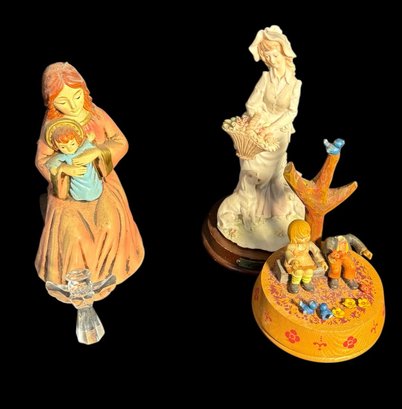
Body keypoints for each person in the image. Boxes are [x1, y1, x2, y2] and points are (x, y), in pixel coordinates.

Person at [35, 62, 144, 300]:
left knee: (109, 223)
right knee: (73, 235)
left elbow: (121, 142)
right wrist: (63, 170)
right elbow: (42, 160)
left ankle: (108, 272)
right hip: (67, 191)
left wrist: (97, 153)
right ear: (51, 103)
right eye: (63, 101)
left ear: (84, 91)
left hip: (101, 181)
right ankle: (76, 281)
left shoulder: (96, 114)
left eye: (76, 96)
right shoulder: (52, 126)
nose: (73, 105)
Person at [217, 25, 305, 251]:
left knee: (269, 174)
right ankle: (249, 209)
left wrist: (271, 128)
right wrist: (259, 120)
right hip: (259, 128)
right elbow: (252, 103)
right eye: (268, 57)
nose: (272, 60)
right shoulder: (265, 78)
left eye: (275, 55)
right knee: (249, 167)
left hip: (280, 133)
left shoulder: (295, 85)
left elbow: (291, 113)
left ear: (284, 54)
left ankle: (270, 211)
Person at [45, 119, 103, 201]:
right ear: (57, 147)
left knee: (93, 184)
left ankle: (94, 192)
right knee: (79, 189)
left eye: (72, 144)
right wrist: (54, 168)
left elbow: (88, 144)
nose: (69, 149)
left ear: (77, 140)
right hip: (78, 185)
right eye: (63, 147)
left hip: (93, 182)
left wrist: (90, 138)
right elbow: (52, 162)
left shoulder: (82, 149)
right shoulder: (64, 156)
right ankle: (80, 195)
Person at [284, 220, 328, 294]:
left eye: (307, 236)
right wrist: (292, 260)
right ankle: (294, 283)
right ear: (293, 237)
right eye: (301, 238)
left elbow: (316, 252)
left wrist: (322, 261)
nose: (305, 239)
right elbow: (288, 253)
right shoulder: (291, 246)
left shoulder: (309, 244)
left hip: (306, 261)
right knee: (298, 272)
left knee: (309, 271)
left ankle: (306, 282)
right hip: (295, 262)